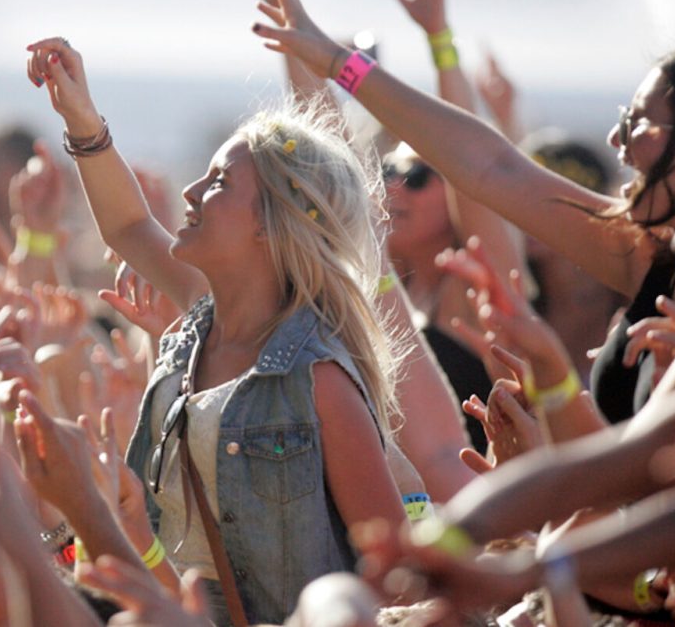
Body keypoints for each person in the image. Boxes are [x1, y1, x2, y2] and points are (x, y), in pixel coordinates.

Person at [25, 37, 407, 625]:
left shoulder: (321, 379)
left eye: (219, 182)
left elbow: (395, 569)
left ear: (270, 227)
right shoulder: (202, 324)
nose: (190, 193)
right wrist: (82, 121)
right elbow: (128, 225)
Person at [250, 0, 675, 425]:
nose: (617, 139)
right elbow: (491, 165)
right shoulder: (651, 258)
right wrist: (338, 64)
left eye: (640, 122)